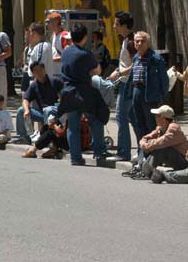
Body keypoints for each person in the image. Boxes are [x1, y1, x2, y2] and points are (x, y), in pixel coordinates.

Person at [58, 23, 112, 167]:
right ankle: (99, 151)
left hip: (68, 92)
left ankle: (75, 157)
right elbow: (98, 70)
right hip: (84, 92)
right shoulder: (86, 54)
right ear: (84, 37)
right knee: (96, 119)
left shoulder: (66, 52)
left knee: (73, 126)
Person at [130, 31, 168, 159]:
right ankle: (142, 152)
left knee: (151, 125)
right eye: (137, 41)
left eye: (142, 41)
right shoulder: (135, 57)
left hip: (150, 95)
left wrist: (162, 97)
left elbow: (164, 79)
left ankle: (154, 155)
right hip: (137, 92)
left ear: (148, 42)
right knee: (139, 124)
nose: (139, 43)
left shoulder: (155, 58)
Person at [106, 11, 139, 162]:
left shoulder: (131, 42)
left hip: (128, 83)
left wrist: (119, 73)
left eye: (117, 24)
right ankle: (142, 151)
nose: (114, 26)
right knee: (133, 117)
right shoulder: (126, 40)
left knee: (121, 116)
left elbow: (135, 65)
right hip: (127, 82)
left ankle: (124, 152)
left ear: (125, 25)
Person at [133, 105, 188, 182]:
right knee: (157, 147)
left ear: (163, 118)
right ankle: (143, 170)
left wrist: (145, 145)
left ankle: (146, 172)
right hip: (176, 160)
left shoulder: (173, 129)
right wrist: (144, 142)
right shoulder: (160, 128)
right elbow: (146, 137)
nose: (155, 118)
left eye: (157, 116)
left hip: (186, 163)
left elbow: (159, 143)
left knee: (161, 149)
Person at [14, 62, 63, 145]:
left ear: (44, 69)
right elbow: (25, 99)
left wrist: (61, 100)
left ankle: (47, 139)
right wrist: (26, 110)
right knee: (21, 110)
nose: (39, 72)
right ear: (33, 73)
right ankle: (24, 137)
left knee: (48, 110)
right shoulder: (34, 85)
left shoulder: (55, 81)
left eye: (40, 69)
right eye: (36, 71)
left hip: (56, 111)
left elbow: (65, 94)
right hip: (42, 113)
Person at [46, 12, 69, 77]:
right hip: (54, 72)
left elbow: (67, 56)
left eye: (48, 22)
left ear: (55, 22)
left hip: (62, 73)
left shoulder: (64, 35)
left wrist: (51, 59)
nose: (47, 24)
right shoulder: (53, 35)